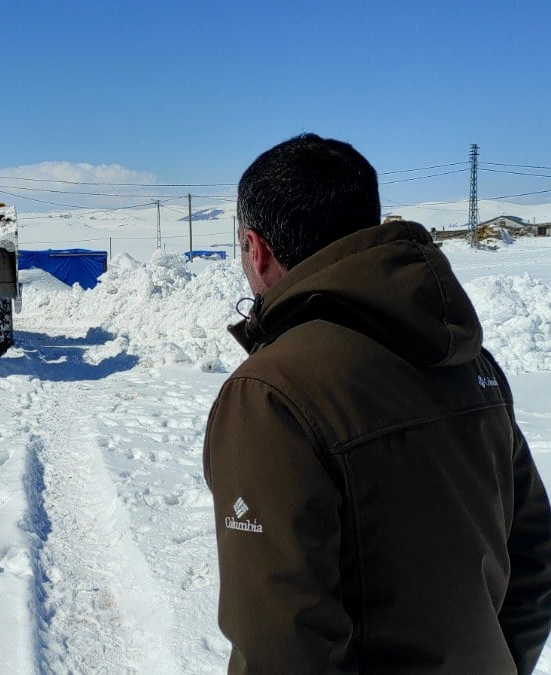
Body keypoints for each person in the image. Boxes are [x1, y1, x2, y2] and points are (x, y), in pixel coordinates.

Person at [204, 133, 551, 674]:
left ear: (257, 247)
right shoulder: (469, 360)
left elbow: (284, 644)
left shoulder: (272, 393)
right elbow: (535, 558)